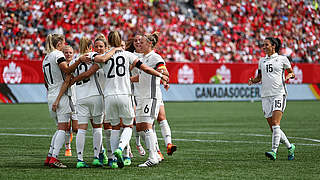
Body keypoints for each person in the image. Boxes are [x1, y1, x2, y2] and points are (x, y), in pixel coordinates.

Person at [77, 30, 168, 168]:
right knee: (128, 126)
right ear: (120, 41)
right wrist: (161, 76)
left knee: (114, 128)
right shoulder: (128, 55)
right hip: (124, 95)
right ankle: (121, 149)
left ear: (108, 42)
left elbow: (88, 72)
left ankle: (113, 160)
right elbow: (146, 69)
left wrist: (72, 79)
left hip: (108, 96)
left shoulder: (101, 57)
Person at [43, 33, 88, 168]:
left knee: (60, 128)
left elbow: (45, 82)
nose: (64, 48)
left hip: (50, 94)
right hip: (61, 96)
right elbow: (67, 69)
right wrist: (79, 60)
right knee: (63, 129)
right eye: (63, 44)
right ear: (59, 44)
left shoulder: (45, 58)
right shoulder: (57, 55)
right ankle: (54, 158)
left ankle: (50, 155)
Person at [248, 37, 296, 160]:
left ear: (273, 46)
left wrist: (289, 75)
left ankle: (273, 151)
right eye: (263, 45)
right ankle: (290, 147)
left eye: (266, 45)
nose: (263, 47)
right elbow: (259, 77)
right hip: (265, 96)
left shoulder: (282, 59)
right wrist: (253, 80)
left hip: (279, 94)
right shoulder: (262, 61)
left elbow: (291, 72)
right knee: (274, 128)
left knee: (275, 123)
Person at [133, 32, 172, 167]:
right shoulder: (143, 58)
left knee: (147, 125)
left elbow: (164, 70)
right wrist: (126, 80)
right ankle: (155, 152)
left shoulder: (155, 57)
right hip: (141, 96)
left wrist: (163, 75)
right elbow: (140, 77)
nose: (139, 44)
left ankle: (153, 157)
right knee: (139, 127)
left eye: (142, 42)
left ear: (150, 44)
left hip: (151, 96)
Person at [62, 45, 78, 157]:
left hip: (76, 98)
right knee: (66, 126)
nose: (68, 54)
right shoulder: (60, 66)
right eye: (66, 52)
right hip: (65, 97)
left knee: (76, 128)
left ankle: (71, 134)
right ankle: (68, 147)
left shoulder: (76, 65)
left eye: (70, 52)